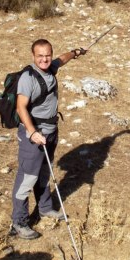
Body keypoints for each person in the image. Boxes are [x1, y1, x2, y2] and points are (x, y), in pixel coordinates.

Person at [10, 39, 87, 240]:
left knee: (45, 172)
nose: (44, 59)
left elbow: (62, 59)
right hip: (34, 134)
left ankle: (45, 208)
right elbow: (21, 108)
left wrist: (75, 52)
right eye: (40, 56)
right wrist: (33, 132)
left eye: (47, 55)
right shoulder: (28, 78)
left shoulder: (51, 67)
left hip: (51, 130)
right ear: (33, 56)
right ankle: (19, 222)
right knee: (27, 178)